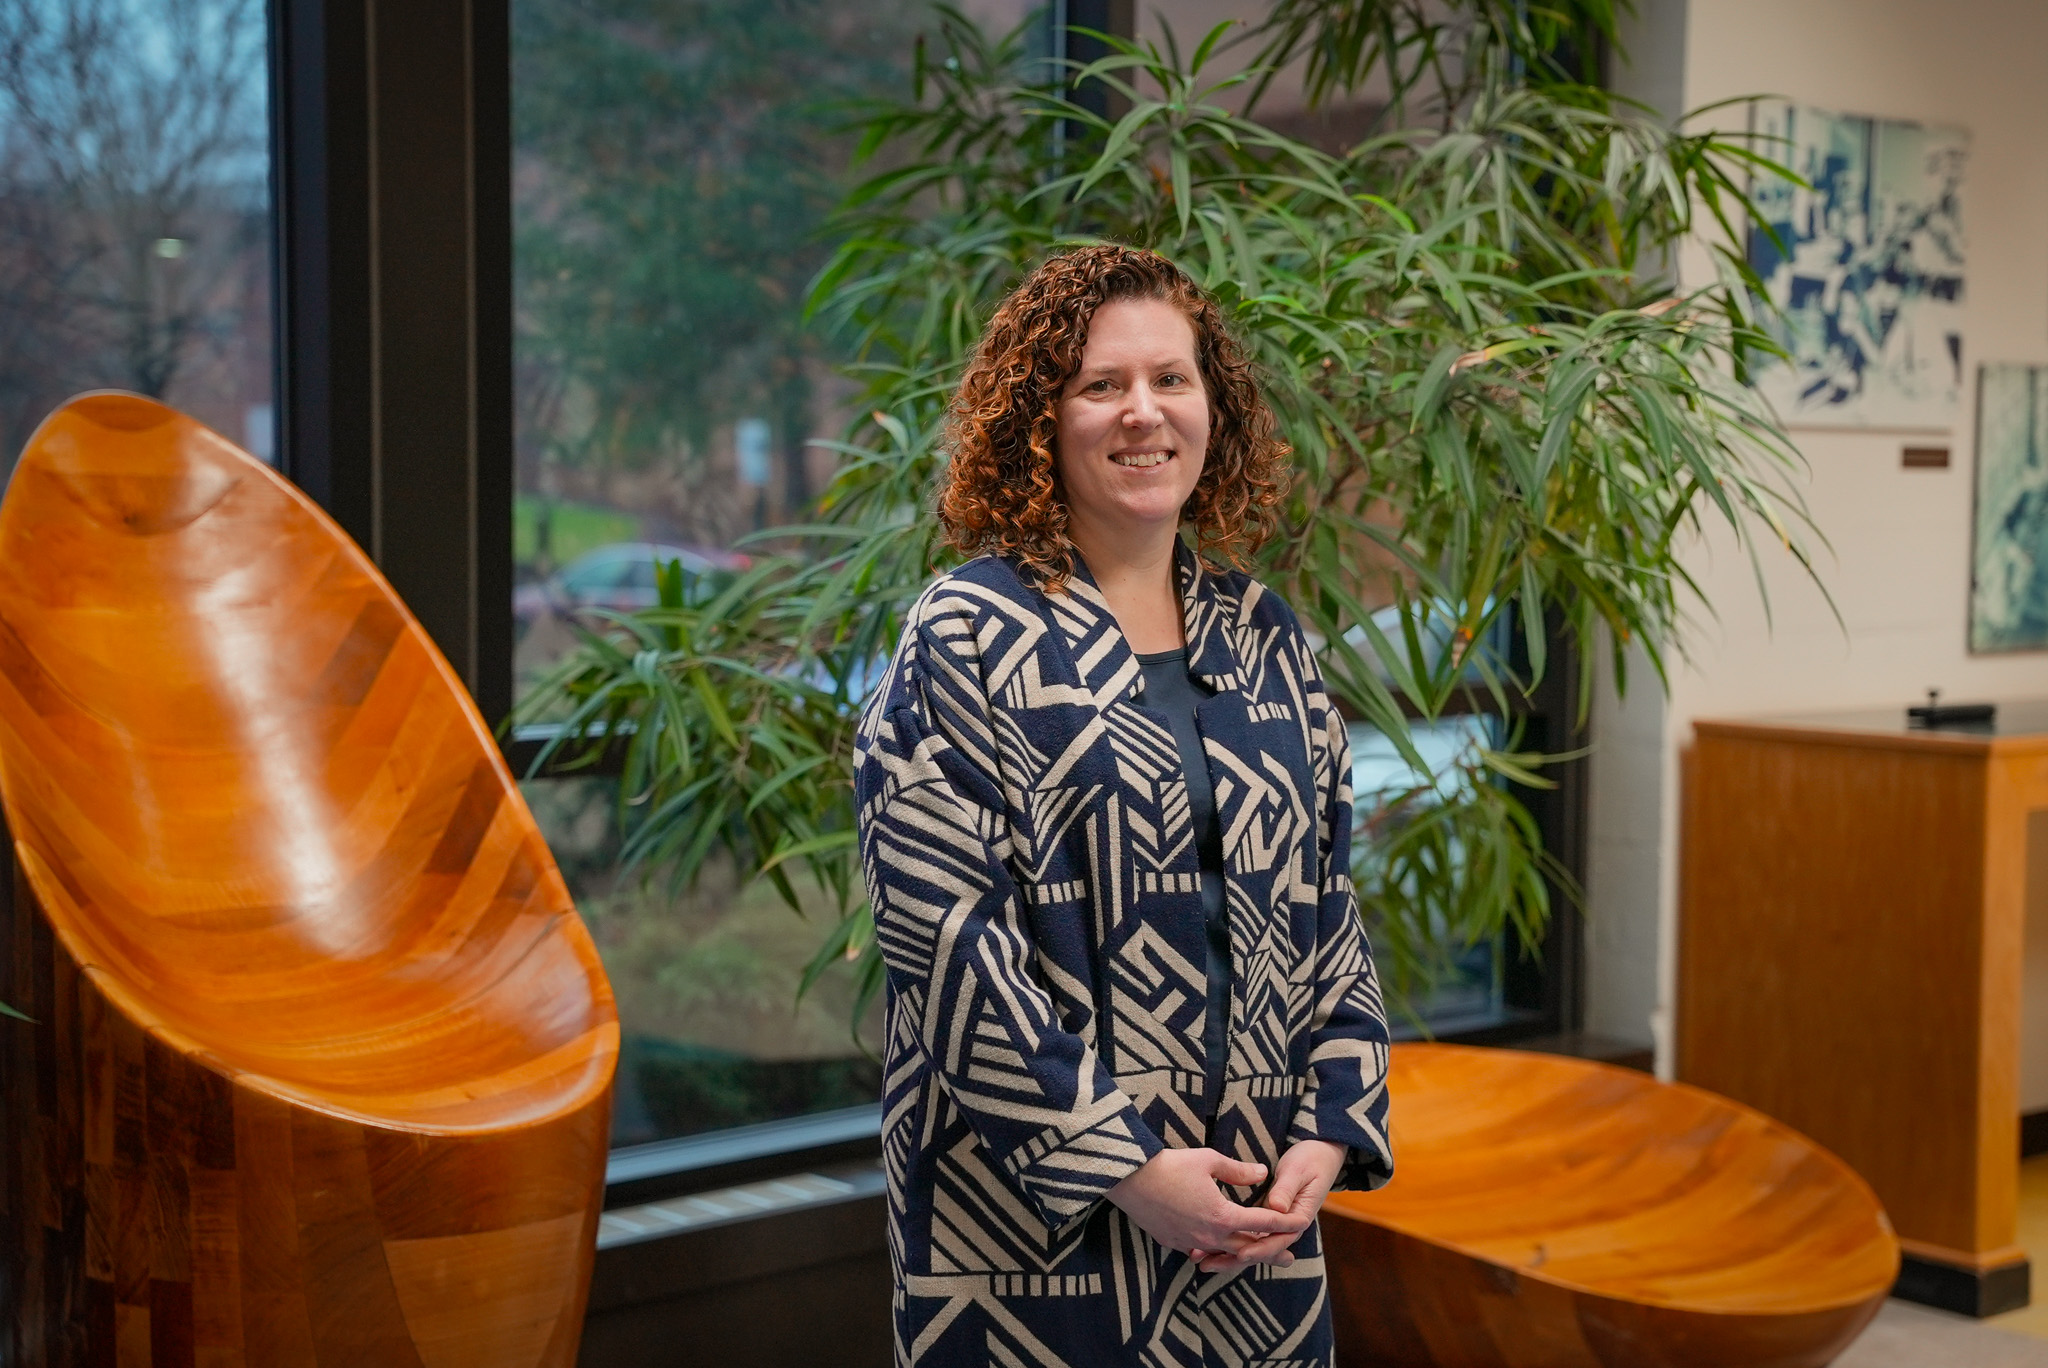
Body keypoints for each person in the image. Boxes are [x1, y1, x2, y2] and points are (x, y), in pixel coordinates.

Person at [854, 244, 1392, 1367]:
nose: (1142, 414)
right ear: (1039, 417)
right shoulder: (966, 632)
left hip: (1250, 1215)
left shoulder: (1264, 634)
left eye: (1171, 379)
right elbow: (944, 944)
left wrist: (1331, 1129)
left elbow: (1325, 903)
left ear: (1215, 407)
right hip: (1023, 1229)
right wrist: (1128, 1169)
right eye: (1101, 385)